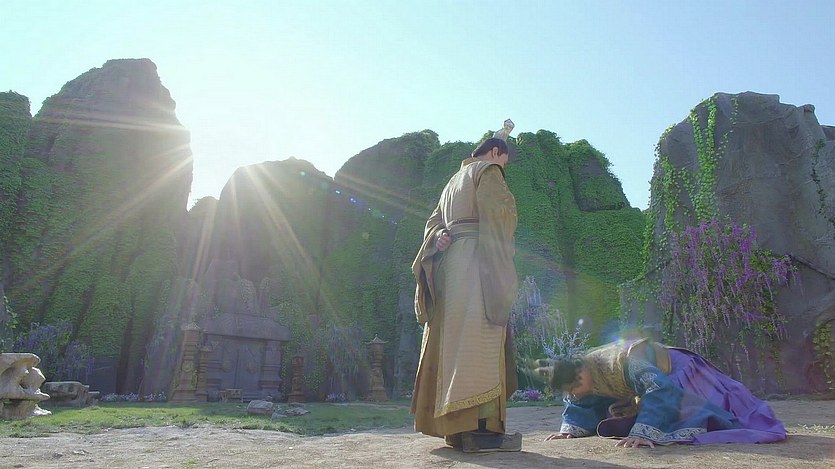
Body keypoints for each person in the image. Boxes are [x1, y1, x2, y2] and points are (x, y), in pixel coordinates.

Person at [410, 122, 520, 453]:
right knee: (482, 341)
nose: (504, 170)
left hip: (450, 269)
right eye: (505, 162)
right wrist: (502, 267)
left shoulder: (451, 183)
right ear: (496, 152)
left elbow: (433, 224)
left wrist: (438, 238)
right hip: (476, 265)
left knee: (451, 346)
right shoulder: (488, 170)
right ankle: (481, 431)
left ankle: (455, 430)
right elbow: (498, 215)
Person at [535, 338, 787, 448]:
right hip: (657, 379)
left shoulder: (622, 362)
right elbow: (580, 401)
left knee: (710, 415)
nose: (573, 395)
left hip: (678, 372)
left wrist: (643, 432)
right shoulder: (583, 374)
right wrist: (569, 430)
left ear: (580, 374)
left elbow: (659, 388)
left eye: (572, 388)